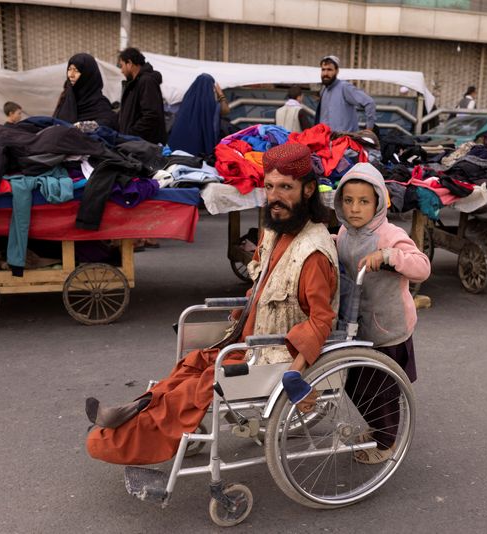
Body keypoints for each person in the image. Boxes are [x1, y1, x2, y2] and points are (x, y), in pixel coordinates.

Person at [85, 143, 339, 465]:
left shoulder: (313, 254)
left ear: (308, 190)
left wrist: (296, 372)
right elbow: (260, 286)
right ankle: (135, 410)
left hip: (276, 352)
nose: (274, 197)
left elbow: (320, 320)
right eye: (270, 187)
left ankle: (122, 439)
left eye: (286, 188)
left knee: (200, 386)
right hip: (249, 338)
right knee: (191, 365)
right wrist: (240, 316)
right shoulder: (274, 231)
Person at [333, 163, 430, 464]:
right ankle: (377, 428)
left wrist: (390, 256)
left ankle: (386, 443)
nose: (355, 209)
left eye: (364, 201)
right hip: (356, 324)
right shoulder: (345, 232)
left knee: (383, 390)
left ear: (378, 202)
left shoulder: (389, 234)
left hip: (388, 327)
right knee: (355, 383)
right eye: (348, 201)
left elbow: (422, 267)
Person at [167, 73, 230, 155]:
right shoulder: (209, 105)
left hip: (176, 152)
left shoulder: (187, 100)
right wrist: (220, 94)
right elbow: (226, 111)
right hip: (197, 155)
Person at [116, 47, 167, 145]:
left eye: (121, 66)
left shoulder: (146, 81)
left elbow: (151, 115)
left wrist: (131, 134)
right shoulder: (135, 83)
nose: (121, 71)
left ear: (129, 63)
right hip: (136, 144)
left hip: (144, 146)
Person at [53, 53, 117, 129]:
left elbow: (109, 122)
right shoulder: (66, 99)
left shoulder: (100, 104)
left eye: (76, 70)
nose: (71, 75)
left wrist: (84, 127)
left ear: (87, 75)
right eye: (70, 70)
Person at [315, 55, 376, 132]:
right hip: (326, 141)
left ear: (337, 71)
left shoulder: (345, 87)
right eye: (323, 70)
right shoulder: (324, 90)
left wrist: (369, 129)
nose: (325, 73)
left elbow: (369, 103)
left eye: (329, 70)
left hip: (344, 141)